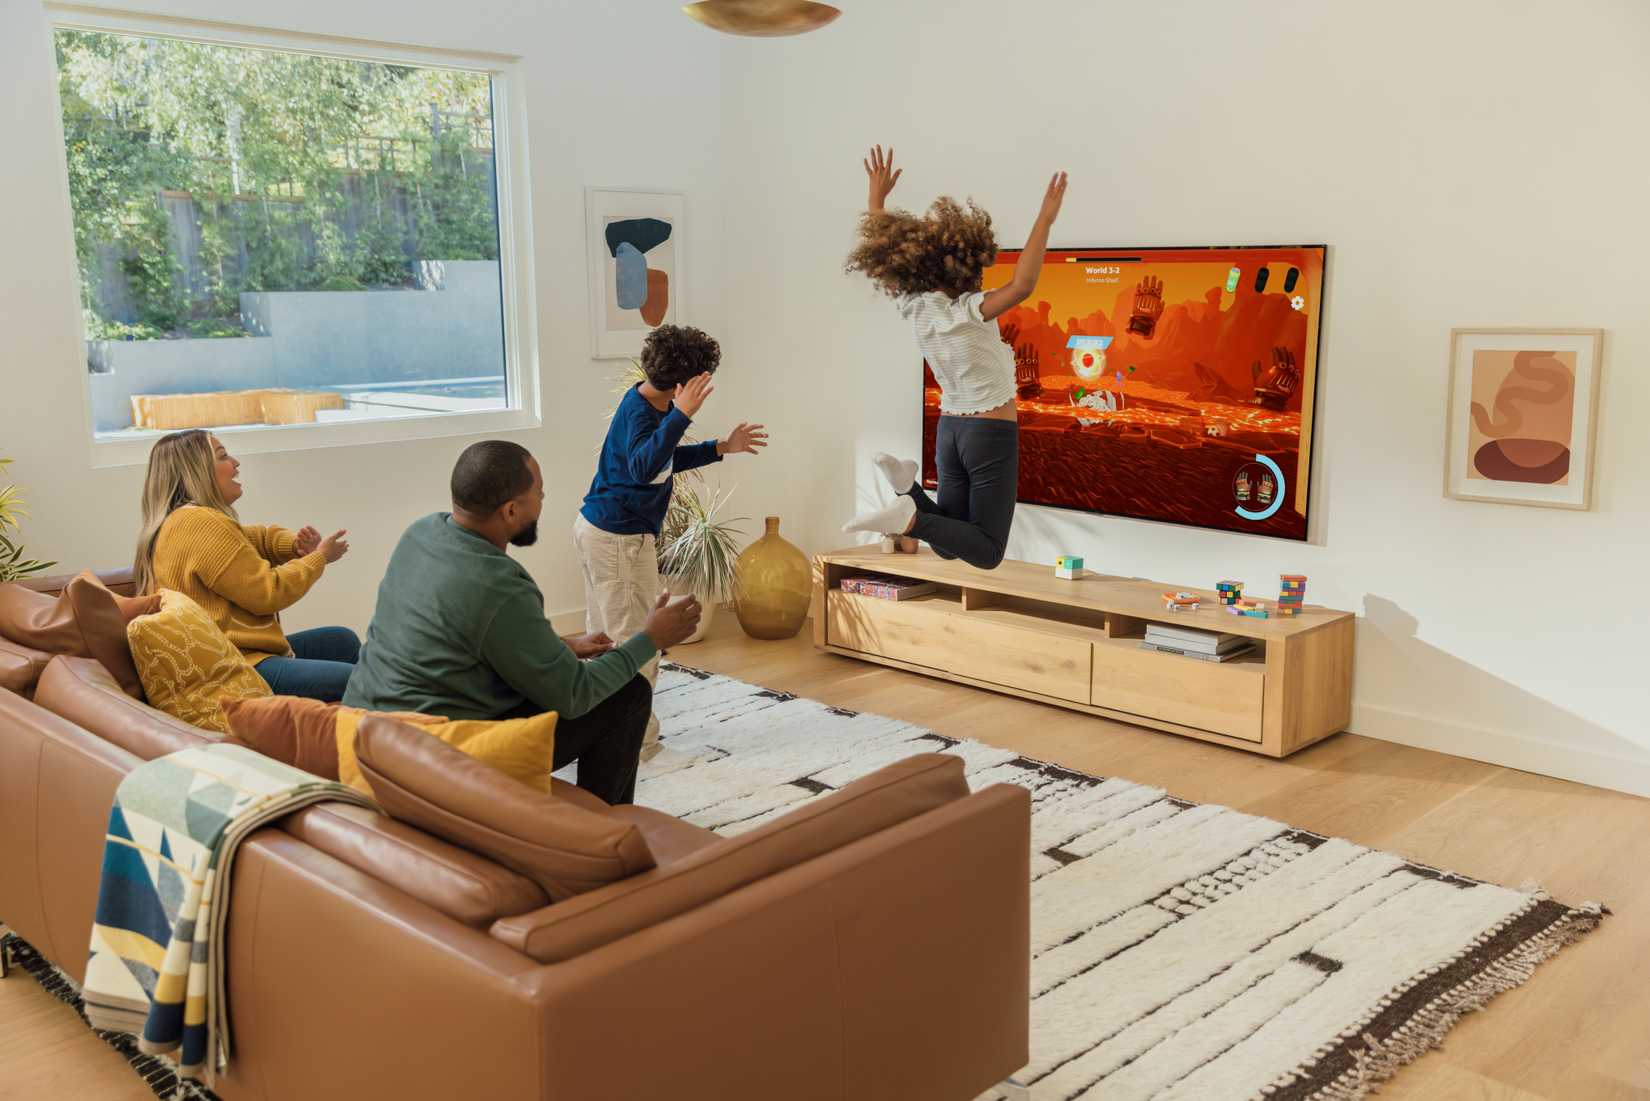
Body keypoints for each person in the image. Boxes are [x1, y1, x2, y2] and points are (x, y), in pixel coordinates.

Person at [344, 440, 702, 805]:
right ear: (512, 510)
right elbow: (576, 695)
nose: (542, 503)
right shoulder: (498, 585)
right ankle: (602, 826)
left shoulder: (420, 535)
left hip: (364, 736)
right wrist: (649, 638)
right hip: (433, 760)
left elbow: (463, 639)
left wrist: (562, 648)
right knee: (627, 694)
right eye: (539, 495)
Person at [843, 145, 1067, 570]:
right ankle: (909, 514)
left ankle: (907, 489)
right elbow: (1022, 286)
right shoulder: (970, 310)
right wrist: (1046, 218)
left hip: (951, 434)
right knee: (986, 552)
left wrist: (877, 202)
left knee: (948, 544)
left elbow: (882, 252)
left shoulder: (915, 304)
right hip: (987, 437)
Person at [575, 324, 766, 762]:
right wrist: (682, 413)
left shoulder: (646, 402)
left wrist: (720, 447)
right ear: (686, 384)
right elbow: (644, 467)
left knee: (603, 639)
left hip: (602, 529)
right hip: (619, 540)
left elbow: (662, 459)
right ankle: (636, 746)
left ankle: (596, 730)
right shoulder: (650, 412)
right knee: (634, 642)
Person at [134, 429, 356, 701]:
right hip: (235, 667)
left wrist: (294, 546)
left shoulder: (181, 521)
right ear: (197, 471)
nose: (235, 463)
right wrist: (318, 558)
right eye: (223, 456)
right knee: (358, 680)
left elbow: (254, 538)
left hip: (238, 656)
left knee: (340, 640)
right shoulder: (200, 524)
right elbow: (267, 593)